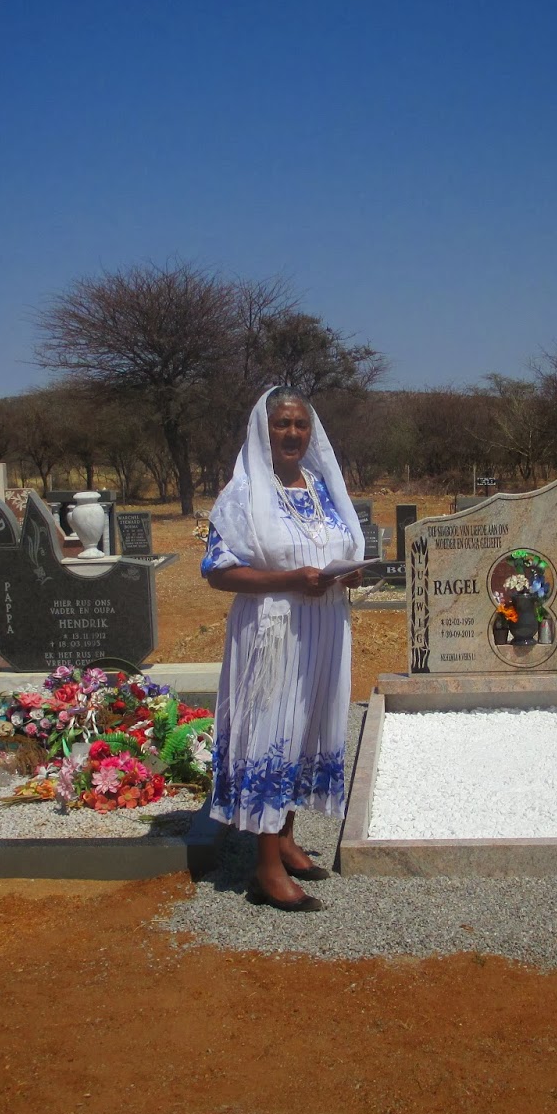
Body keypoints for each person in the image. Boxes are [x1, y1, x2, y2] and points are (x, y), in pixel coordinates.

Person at [202, 385, 364, 912]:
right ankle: (265, 868)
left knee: (309, 727)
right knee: (274, 730)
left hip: (325, 626)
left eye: (300, 425)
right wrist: (290, 579)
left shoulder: (322, 488)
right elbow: (219, 573)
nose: (292, 433)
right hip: (273, 631)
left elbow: (334, 548)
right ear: (262, 429)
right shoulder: (243, 494)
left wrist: (349, 574)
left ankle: (287, 839)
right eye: (282, 424)